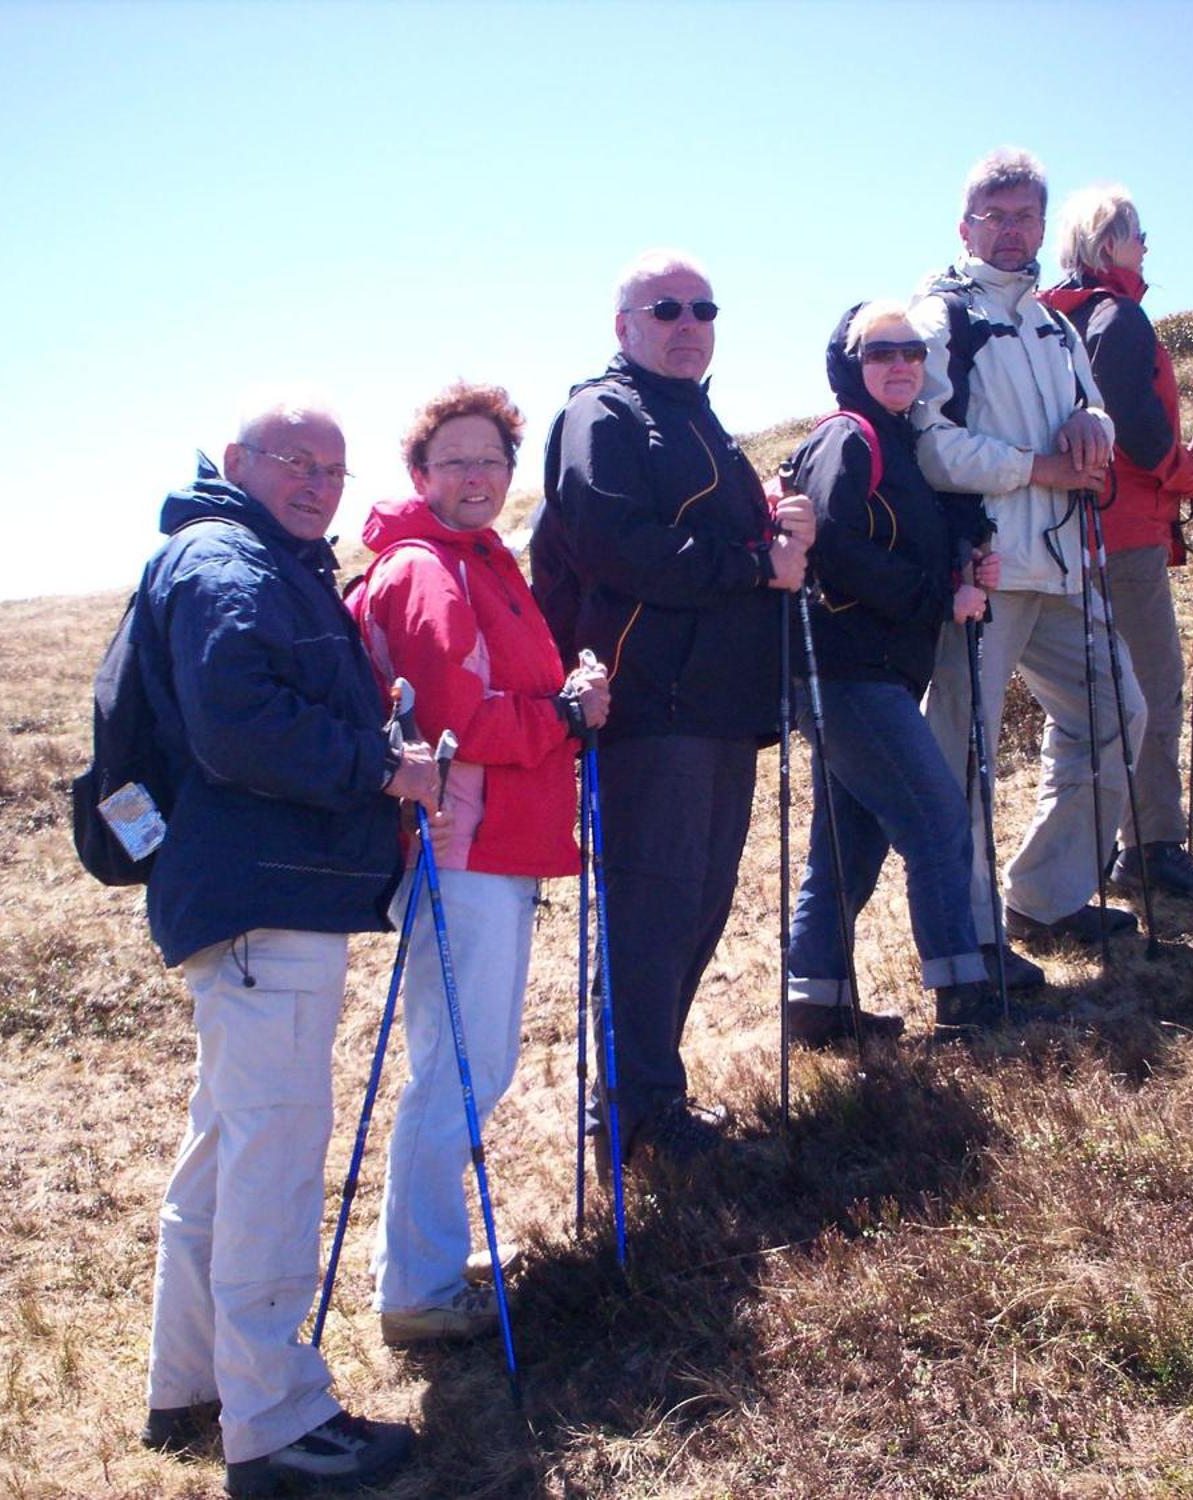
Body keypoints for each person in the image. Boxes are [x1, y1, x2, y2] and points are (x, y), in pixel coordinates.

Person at [133, 397, 432, 1497]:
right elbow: (239, 725)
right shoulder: (232, 566)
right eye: (292, 461)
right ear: (237, 462)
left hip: (246, 895)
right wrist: (382, 767)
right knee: (272, 1160)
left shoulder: (250, 561)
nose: (315, 483)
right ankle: (278, 1429)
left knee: (228, 1143)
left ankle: (193, 1387)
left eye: (332, 469)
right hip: (267, 898)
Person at [530, 249, 814, 1169]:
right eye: (665, 310)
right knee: (656, 905)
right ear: (624, 327)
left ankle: (647, 1093)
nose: (688, 323)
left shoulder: (694, 417)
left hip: (719, 704)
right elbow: (613, 542)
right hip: (650, 704)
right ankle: (634, 1110)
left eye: (703, 308)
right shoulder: (601, 412)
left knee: (697, 904)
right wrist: (751, 562)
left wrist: (773, 526)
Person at [348, 382, 609, 1345]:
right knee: (463, 1064)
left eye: (492, 460)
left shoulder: (478, 560)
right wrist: (566, 718)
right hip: (465, 843)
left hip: (496, 837)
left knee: (466, 1060)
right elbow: (459, 720)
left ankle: (425, 1261)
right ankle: (414, 1287)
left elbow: (511, 697)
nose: (476, 476)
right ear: (419, 474)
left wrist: (564, 704)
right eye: (455, 460)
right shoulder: (426, 569)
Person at [910, 147, 1146, 958]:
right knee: (960, 750)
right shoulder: (941, 318)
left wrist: (1096, 430)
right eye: (996, 216)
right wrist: (1036, 468)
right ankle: (966, 943)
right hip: (982, 568)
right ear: (965, 224)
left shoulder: (1050, 323)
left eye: (1026, 217)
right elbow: (930, 445)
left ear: (1044, 225)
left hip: (1064, 565)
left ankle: (1045, 900)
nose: (1012, 232)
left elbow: (1097, 411)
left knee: (1119, 715)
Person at [782, 300, 1007, 1039]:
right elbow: (834, 550)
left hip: (867, 675)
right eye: (881, 353)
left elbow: (894, 540)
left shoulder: (895, 441)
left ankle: (818, 1004)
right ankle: (962, 989)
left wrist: (965, 556)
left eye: (912, 350)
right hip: (850, 675)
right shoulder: (847, 438)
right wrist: (945, 594)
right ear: (853, 365)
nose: (902, 364)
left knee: (850, 840)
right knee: (938, 820)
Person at [1041, 184, 1193, 897]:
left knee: (1104, 696)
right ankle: (1150, 848)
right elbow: (1138, 428)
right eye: (1139, 233)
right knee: (1152, 686)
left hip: (1074, 531)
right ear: (1110, 241)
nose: (1147, 246)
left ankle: (1119, 847)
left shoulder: (1057, 320)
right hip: (1124, 530)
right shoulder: (1120, 318)